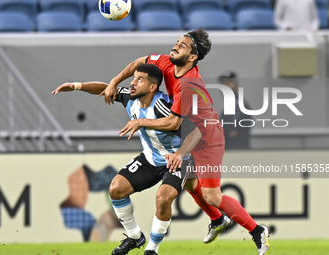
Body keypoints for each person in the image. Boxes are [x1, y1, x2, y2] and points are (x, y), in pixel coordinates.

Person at [101, 29, 270, 255]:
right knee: (190, 184)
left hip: (206, 137)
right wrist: (114, 81)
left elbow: (172, 122)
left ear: (192, 57)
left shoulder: (189, 83)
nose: (176, 46)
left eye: (183, 46)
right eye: (177, 42)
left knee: (212, 195)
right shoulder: (166, 63)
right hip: (187, 130)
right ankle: (218, 220)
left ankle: (257, 230)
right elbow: (138, 63)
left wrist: (141, 121)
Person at [52, 63, 202, 255]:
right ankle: (134, 236)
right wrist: (76, 86)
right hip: (150, 159)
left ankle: (151, 250)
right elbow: (106, 88)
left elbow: (195, 133)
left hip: (176, 159)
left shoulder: (162, 106)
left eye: (140, 79)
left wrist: (179, 154)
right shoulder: (130, 97)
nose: (133, 83)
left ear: (152, 87)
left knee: (163, 199)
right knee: (116, 189)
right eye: (134, 78)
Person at [218, 71, 252, 150]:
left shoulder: (241, 107)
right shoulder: (229, 107)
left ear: (236, 85)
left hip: (237, 152)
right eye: (223, 83)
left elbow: (233, 132)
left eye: (228, 83)